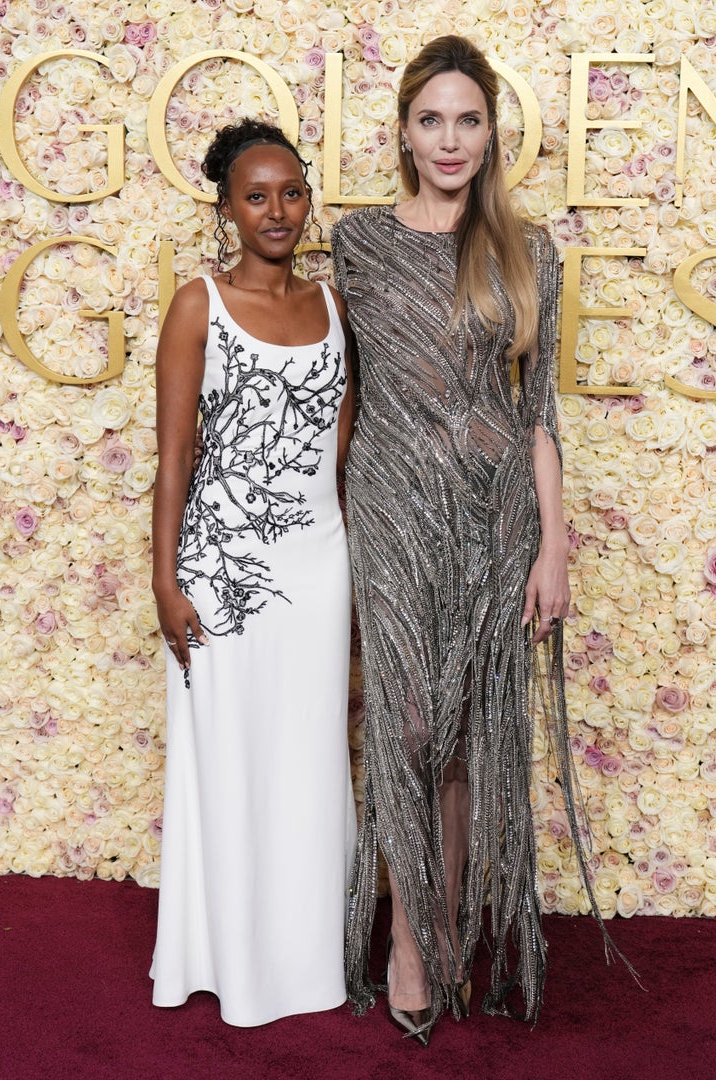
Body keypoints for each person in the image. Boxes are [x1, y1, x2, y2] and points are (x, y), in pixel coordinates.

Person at [331, 35, 619, 1044]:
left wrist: (553, 546)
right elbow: (333, 385)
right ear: (404, 131)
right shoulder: (357, 243)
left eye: (467, 120)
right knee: (406, 728)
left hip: (497, 518)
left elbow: (535, 410)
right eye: (430, 120)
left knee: (460, 739)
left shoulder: (523, 248)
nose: (449, 140)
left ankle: (447, 935)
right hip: (394, 508)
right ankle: (408, 941)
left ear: (491, 131)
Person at [150, 119, 356, 1026]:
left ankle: (309, 961)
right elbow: (176, 457)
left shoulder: (337, 307)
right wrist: (166, 580)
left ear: (307, 198)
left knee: (309, 760)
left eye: (291, 192)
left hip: (318, 569)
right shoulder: (199, 304)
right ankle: (225, 958)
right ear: (226, 209)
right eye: (255, 196)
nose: (277, 211)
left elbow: (339, 457)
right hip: (221, 574)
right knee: (229, 762)